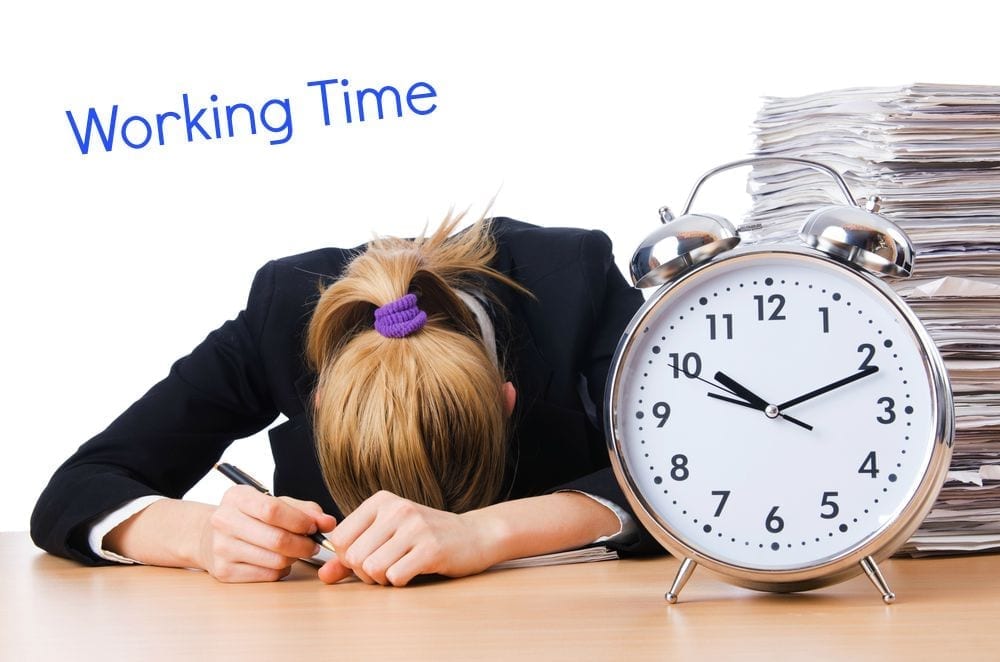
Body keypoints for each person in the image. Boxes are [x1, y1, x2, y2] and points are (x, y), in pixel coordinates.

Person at [31, 214, 660, 586]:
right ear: (321, 400)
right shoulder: (280, 316)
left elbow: (693, 475)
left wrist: (490, 531)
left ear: (505, 402)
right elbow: (78, 488)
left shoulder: (574, 280)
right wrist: (198, 535)